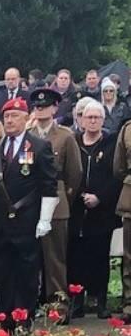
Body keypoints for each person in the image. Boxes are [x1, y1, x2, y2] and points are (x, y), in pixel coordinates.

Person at [0, 95, 57, 322]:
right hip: (0, 220)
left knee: (26, 270)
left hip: (26, 218)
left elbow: (49, 185)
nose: (10, 120)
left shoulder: (39, 146)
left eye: (14, 115)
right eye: (6, 116)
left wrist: (45, 219)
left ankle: (24, 316)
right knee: (2, 270)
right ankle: (5, 316)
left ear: (26, 118)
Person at [28, 88, 82, 312]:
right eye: (37, 106)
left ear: (55, 108)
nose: (41, 110)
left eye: (46, 106)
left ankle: (58, 305)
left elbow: (74, 173)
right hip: (29, 200)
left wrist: (64, 196)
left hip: (57, 200)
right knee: (30, 256)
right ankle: (30, 303)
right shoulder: (27, 134)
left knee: (55, 257)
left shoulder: (65, 136)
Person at [69, 98, 118, 319]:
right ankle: (77, 301)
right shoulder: (74, 142)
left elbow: (116, 176)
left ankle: (101, 301)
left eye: (97, 117)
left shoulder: (111, 144)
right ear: (81, 119)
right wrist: (80, 194)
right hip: (77, 210)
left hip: (102, 212)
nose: (93, 121)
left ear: (103, 120)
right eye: (89, 117)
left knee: (100, 257)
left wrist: (100, 197)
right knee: (76, 258)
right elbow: (68, 171)